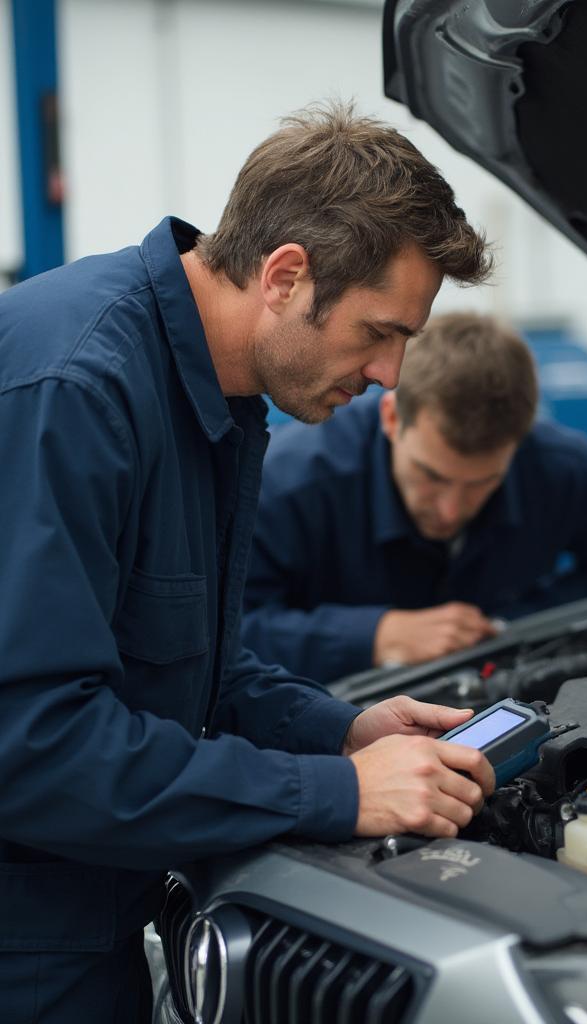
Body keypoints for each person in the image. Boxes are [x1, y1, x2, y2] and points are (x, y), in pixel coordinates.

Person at [0, 103, 496, 1023]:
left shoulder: (214, 395)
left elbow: (184, 669)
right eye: (381, 331)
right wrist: (337, 793)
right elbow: (34, 747)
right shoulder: (78, 391)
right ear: (286, 275)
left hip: (93, 919)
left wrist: (340, 733)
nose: (391, 374)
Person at [242, 312, 587, 682]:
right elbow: (228, 631)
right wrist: (372, 636)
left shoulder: (560, 468)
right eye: (431, 476)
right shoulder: (287, 483)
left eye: (482, 483)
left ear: (518, 444)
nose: (450, 510)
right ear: (392, 419)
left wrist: (512, 626)